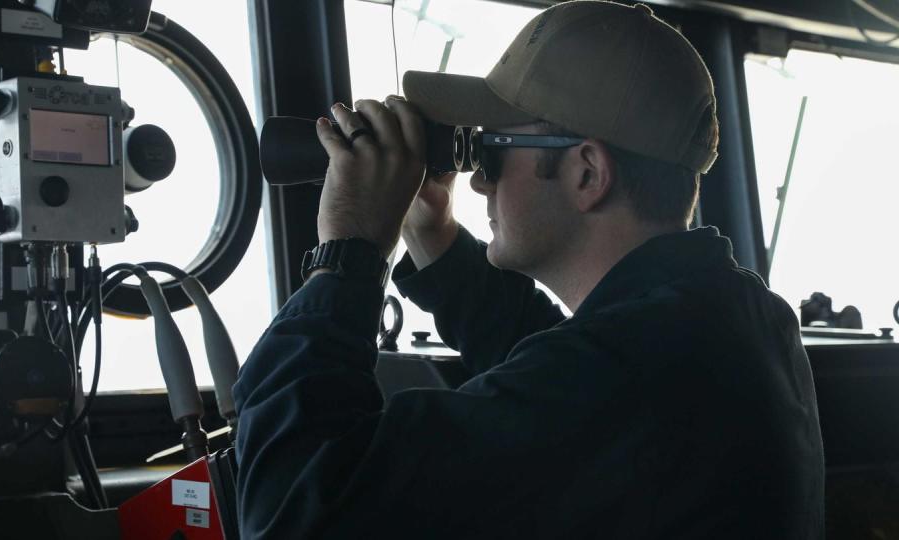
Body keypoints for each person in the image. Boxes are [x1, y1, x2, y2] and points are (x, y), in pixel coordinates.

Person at [233, 1, 825, 538]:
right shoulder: (734, 317)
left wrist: (347, 251)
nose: (479, 179)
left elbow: (292, 507)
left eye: (491, 150)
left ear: (587, 173)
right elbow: (551, 361)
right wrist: (431, 233)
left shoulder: (626, 373)